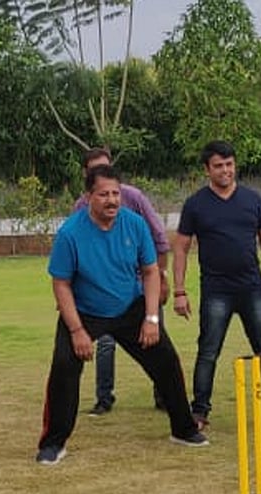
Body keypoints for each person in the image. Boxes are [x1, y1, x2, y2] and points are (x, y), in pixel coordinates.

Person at [36, 164, 207, 465]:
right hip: (85, 312)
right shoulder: (70, 233)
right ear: (89, 196)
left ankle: (184, 428)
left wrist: (151, 318)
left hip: (130, 308)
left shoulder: (135, 224)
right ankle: (53, 443)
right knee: (64, 367)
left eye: (116, 193)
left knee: (166, 360)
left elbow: (151, 271)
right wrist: (77, 331)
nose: (112, 200)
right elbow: (61, 284)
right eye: (104, 194)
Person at [172, 140, 261, 431]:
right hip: (215, 290)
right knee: (208, 351)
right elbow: (180, 248)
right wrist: (179, 291)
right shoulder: (195, 204)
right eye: (218, 165)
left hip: (252, 288)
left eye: (229, 164)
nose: (225, 170)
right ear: (207, 169)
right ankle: (199, 412)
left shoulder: (252, 199)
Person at [73, 148, 172, 416]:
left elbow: (160, 238)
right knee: (105, 343)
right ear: (87, 177)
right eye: (95, 171)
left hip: (141, 288)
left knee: (155, 340)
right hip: (103, 292)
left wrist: (162, 277)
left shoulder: (133, 198)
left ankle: (164, 396)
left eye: (106, 168)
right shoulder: (81, 209)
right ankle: (104, 398)